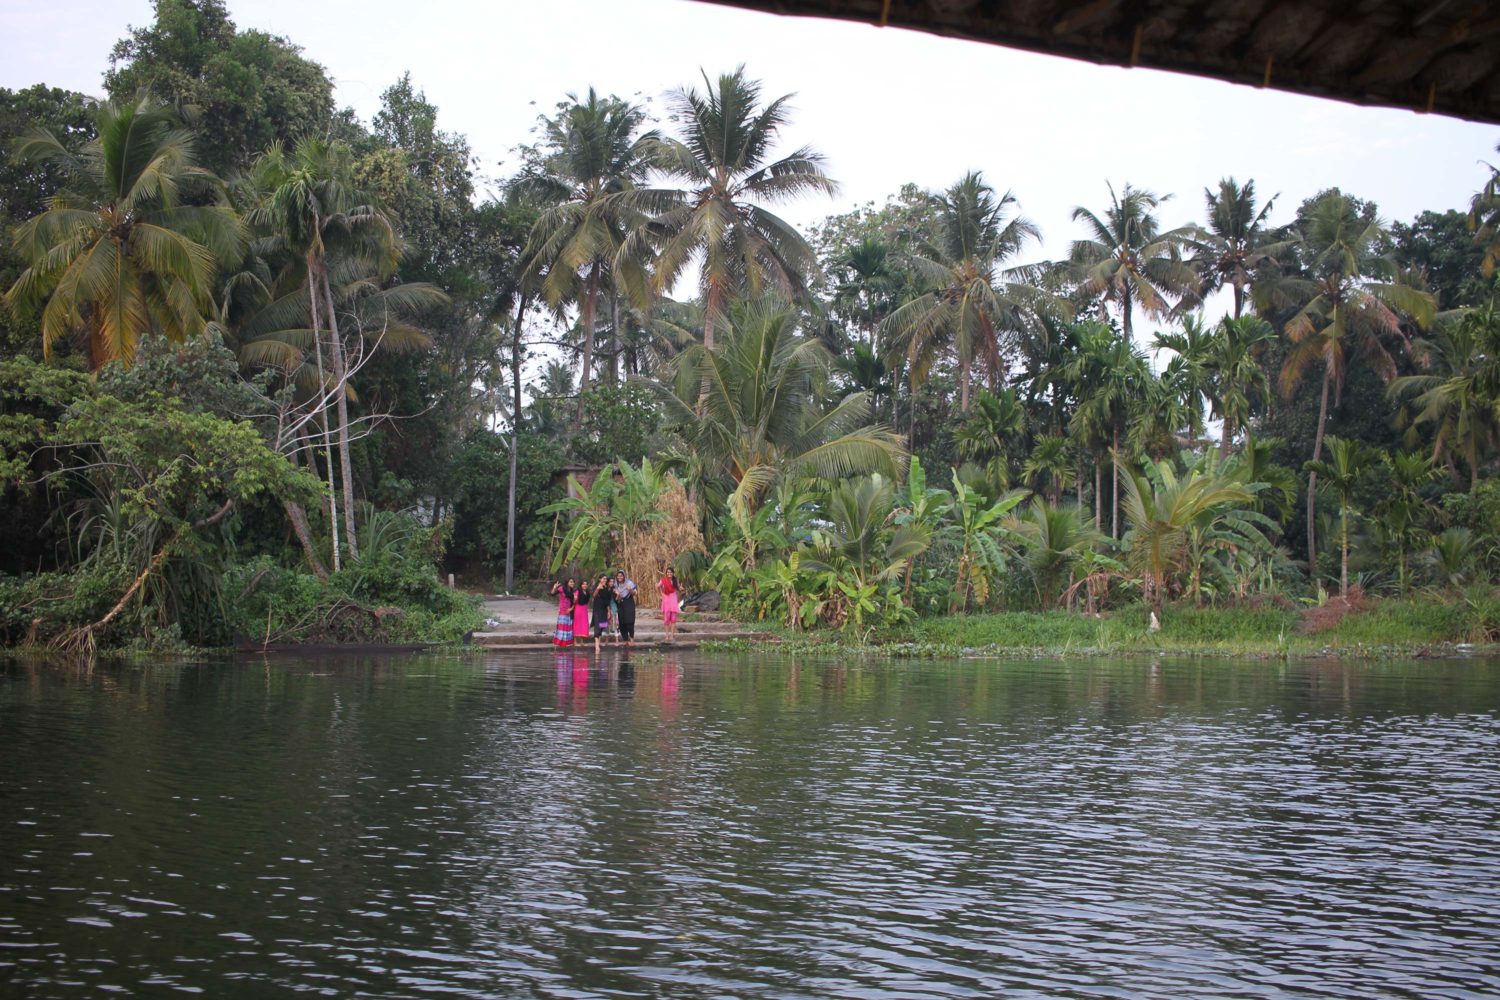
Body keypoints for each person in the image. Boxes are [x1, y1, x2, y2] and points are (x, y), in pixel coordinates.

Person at [613, 569, 638, 648]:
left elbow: (635, 593)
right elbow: (616, 598)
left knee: (630, 621)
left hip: (629, 603)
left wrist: (630, 590)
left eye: (621, 576)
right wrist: (618, 595)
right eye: (618, 576)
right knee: (622, 623)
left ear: (624, 576)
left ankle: (632, 640)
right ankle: (625, 640)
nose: (619, 577)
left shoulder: (629, 583)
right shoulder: (616, 585)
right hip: (621, 604)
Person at [590, 574, 613, 655]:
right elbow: (593, 596)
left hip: (604, 610)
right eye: (603, 578)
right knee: (597, 625)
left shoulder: (606, 588)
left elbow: (607, 601)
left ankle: (598, 641)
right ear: (600, 579)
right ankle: (596, 645)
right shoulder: (597, 586)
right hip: (597, 609)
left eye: (606, 579)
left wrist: (609, 611)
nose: (605, 580)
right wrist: (597, 588)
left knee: (602, 625)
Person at [551, 578, 576, 647]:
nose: (572, 583)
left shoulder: (573, 591)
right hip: (562, 611)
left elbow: (575, 602)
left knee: (568, 627)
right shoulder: (562, 588)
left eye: (573, 582)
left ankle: (567, 643)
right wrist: (554, 587)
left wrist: (571, 609)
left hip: (570, 611)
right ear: (567, 582)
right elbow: (552, 594)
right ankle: (560, 642)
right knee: (562, 627)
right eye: (571, 582)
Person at [658, 567, 681, 643]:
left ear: (673, 573)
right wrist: (661, 594)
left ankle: (672, 636)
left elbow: (678, 588)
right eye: (668, 572)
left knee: (673, 619)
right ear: (666, 573)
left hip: (673, 599)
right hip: (666, 599)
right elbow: (657, 586)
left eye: (670, 572)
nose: (669, 573)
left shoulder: (675, 580)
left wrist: (681, 588)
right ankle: (667, 636)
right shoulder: (663, 580)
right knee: (666, 618)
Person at [572, 578, 590, 646]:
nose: (585, 585)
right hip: (578, 608)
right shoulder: (577, 591)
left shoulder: (587, 592)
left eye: (586, 584)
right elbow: (574, 601)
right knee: (577, 624)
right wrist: (575, 599)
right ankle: (575, 641)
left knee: (584, 624)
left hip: (584, 609)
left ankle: (582, 642)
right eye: (583, 584)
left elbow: (587, 601)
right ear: (581, 585)